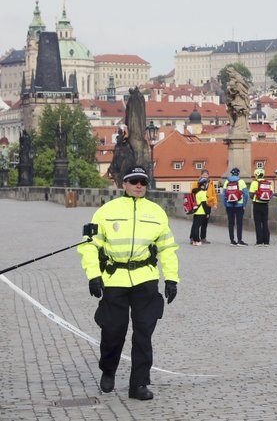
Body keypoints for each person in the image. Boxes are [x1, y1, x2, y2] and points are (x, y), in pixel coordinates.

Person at [77, 165, 179, 401]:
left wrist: (172, 278)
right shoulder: (106, 211)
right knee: (113, 330)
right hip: (115, 278)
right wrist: (93, 275)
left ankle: (139, 383)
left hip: (145, 278)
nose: (138, 186)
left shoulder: (156, 213)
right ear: (123, 184)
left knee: (144, 332)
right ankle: (108, 369)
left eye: (143, 182)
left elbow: (167, 248)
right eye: (134, 181)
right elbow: (89, 245)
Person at [223, 167, 249, 246]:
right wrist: (244, 204)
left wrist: (225, 204)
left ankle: (232, 240)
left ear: (231, 173)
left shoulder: (227, 181)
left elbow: (223, 194)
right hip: (239, 205)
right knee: (239, 223)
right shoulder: (241, 182)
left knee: (231, 223)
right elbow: (246, 194)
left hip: (229, 205)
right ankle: (239, 240)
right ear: (238, 174)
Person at [249, 168, 273, 246]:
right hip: (265, 204)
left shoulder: (254, 183)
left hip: (257, 204)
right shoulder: (268, 183)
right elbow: (271, 194)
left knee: (258, 223)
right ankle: (266, 241)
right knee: (265, 223)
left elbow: (251, 195)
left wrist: (256, 197)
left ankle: (259, 241)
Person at [189, 177, 209, 246]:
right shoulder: (202, 192)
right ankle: (197, 240)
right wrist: (207, 213)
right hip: (201, 212)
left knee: (195, 226)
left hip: (196, 211)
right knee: (197, 227)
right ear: (203, 184)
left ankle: (194, 240)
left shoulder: (195, 192)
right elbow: (204, 204)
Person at [201, 168, 218, 244]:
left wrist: (215, 203)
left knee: (205, 222)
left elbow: (213, 193)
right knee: (197, 222)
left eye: (206, 175)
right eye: (204, 175)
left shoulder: (210, 183)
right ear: (201, 175)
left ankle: (203, 237)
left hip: (208, 204)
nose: (205, 176)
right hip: (200, 204)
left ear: (208, 175)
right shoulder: (198, 182)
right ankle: (193, 237)